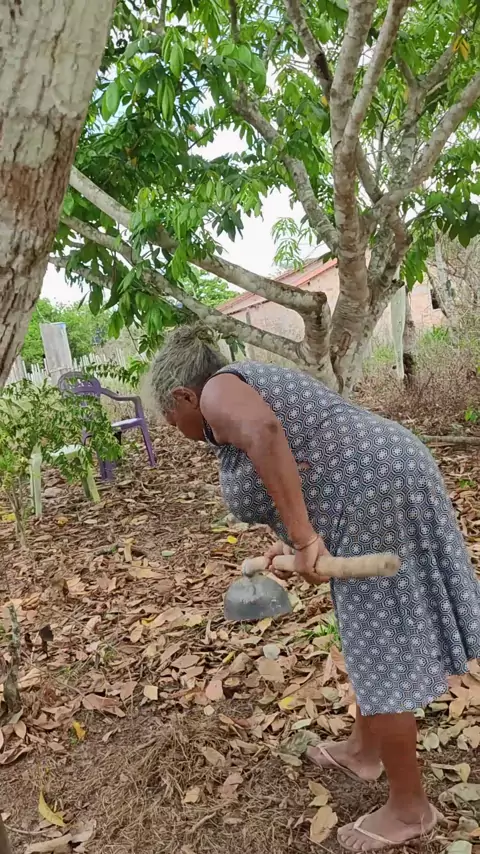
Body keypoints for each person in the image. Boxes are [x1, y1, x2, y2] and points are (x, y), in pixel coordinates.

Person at [147, 324, 480, 852]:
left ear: (185, 396)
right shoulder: (238, 389)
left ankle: (410, 808)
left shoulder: (218, 392)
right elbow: (300, 461)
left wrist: (304, 538)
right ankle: (364, 752)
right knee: (367, 632)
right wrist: (289, 540)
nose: (177, 430)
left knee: (379, 644)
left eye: (171, 419)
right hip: (375, 486)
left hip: (375, 493)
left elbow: (266, 434)